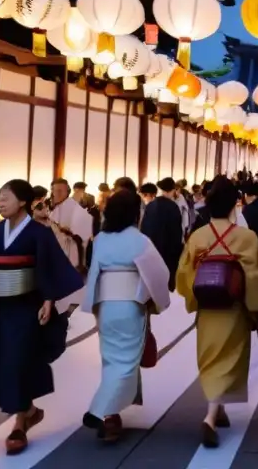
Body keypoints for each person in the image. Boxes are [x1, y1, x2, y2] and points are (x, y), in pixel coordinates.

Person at [0, 179, 84, 456]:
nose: (0, 203)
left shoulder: (39, 232)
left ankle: (19, 423)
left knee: (18, 360)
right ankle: (30, 410)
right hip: (3, 307)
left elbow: (50, 266)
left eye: (6, 198)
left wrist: (49, 299)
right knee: (0, 360)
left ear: (22, 201)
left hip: (29, 306)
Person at [176, 176, 258, 449]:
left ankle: (216, 410)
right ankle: (210, 416)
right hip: (233, 309)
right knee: (228, 359)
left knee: (210, 359)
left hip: (208, 308)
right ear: (235, 204)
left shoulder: (198, 236)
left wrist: (193, 294)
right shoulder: (246, 237)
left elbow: (184, 273)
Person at [81, 190, 172, 443]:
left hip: (106, 305)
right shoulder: (140, 240)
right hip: (130, 304)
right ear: (136, 213)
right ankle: (101, 411)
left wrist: (96, 306)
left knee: (111, 359)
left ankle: (110, 415)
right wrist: (151, 298)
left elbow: (94, 272)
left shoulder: (100, 239)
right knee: (126, 362)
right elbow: (159, 273)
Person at [140, 181, 184, 291]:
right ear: (172, 190)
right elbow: (177, 231)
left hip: (152, 248)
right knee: (167, 280)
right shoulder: (173, 207)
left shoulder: (151, 205)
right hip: (169, 251)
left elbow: (144, 228)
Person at [48, 178, 93, 271]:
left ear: (67, 191)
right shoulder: (55, 208)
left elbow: (85, 233)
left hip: (71, 252)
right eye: (54, 191)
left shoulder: (75, 208)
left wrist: (70, 233)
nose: (57, 194)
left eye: (60, 191)